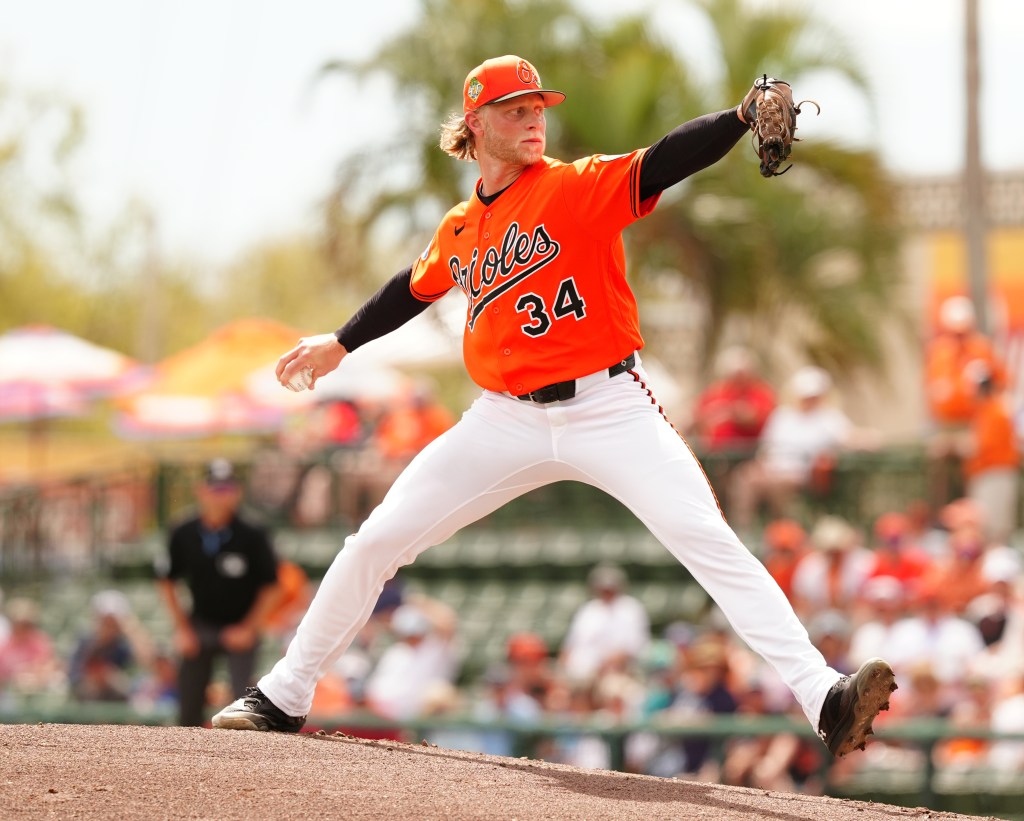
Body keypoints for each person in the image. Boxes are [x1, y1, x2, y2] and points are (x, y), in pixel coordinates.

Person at [211, 54, 896, 758]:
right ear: (474, 125)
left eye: (538, 107)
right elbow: (409, 289)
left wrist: (740, 117)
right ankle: (284, 692)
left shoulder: (574, 186)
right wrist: (341, 342)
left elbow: (662, 161)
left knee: (708, 539)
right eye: (516, 110)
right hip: (503, 417)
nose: (535, 118)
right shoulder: (459, 227)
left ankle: (823, 693)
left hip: (608, 406)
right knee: (377, 540)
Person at [157, 458, 282, 726]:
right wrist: (182, 629)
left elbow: (272, 587)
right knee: (188, 706)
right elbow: (167, 582)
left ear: (237, 492)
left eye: (226, 488)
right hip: (200, 624)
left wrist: (249, 628)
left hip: (241, 625)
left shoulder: (254, 532)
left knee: (243, 706)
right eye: (215, 488)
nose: (220, 495)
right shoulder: (183, 531)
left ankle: (240, 763)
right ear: (200, 490)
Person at [559, 563, 650, 683]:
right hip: (580, 672)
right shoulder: (587, 610)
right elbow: (568, 647)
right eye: (603, 587)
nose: (606, 591)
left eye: (610, 588)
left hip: (615, 671)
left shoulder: (631, 609)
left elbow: (636, 647)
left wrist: (605, 665)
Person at [68, 590, 154, 702]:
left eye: (112, 620)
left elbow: (149, 663)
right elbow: (74, 677)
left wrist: (131, 629)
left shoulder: (124, 643)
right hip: (89, 703)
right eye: (104, 620)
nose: (108, 624)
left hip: (123, 703)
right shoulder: (85, 641)